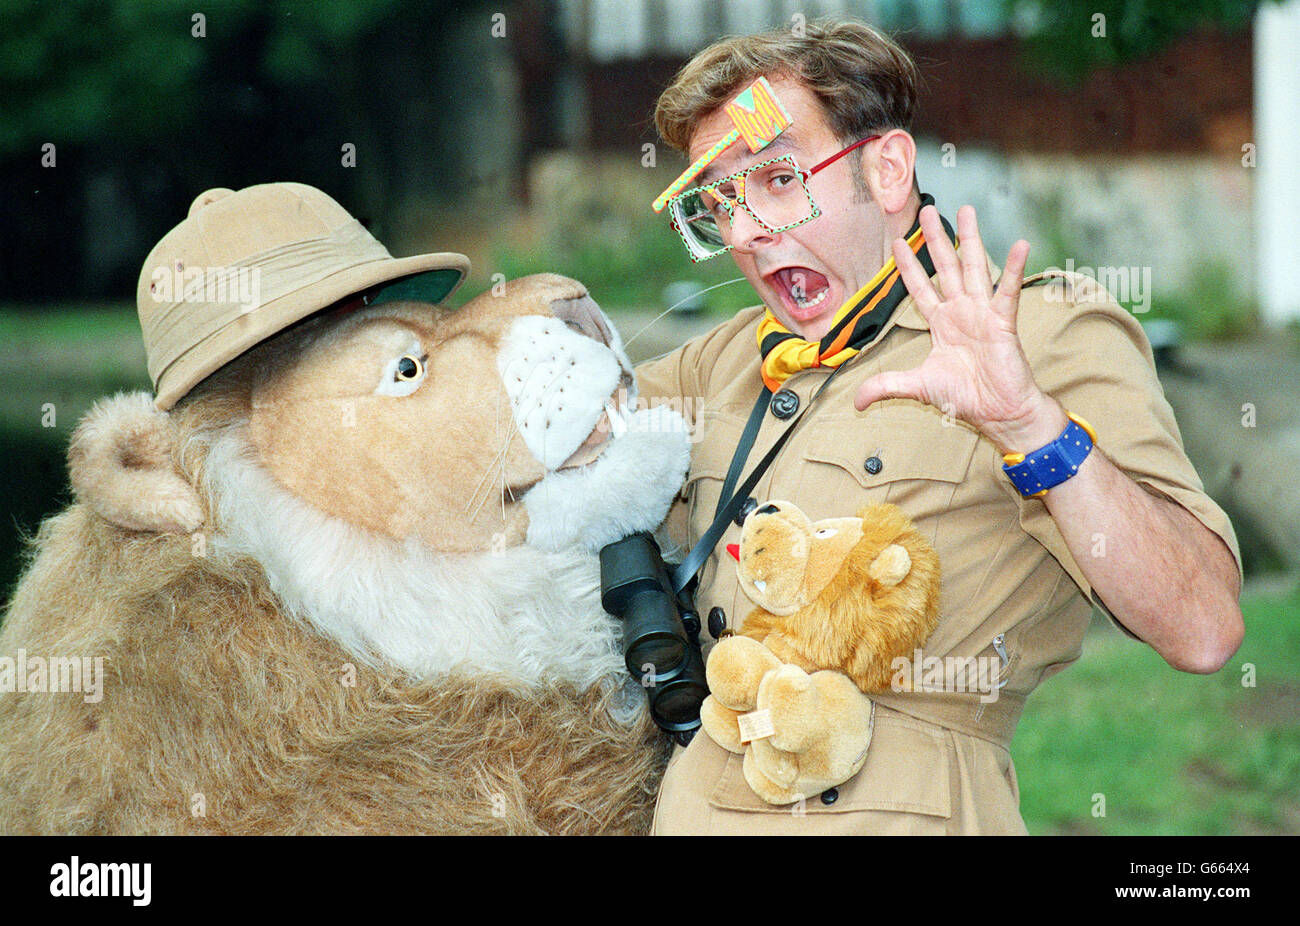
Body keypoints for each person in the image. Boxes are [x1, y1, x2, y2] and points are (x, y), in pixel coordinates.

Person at [633, 18, 1244, 835]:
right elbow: (521, 435)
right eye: (720, 203)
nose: (745, 231)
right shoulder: (720, 363)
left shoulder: (1043, 331)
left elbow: (1202, 626)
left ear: (886, 169)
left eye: (778, 180)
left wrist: (1028, 422)